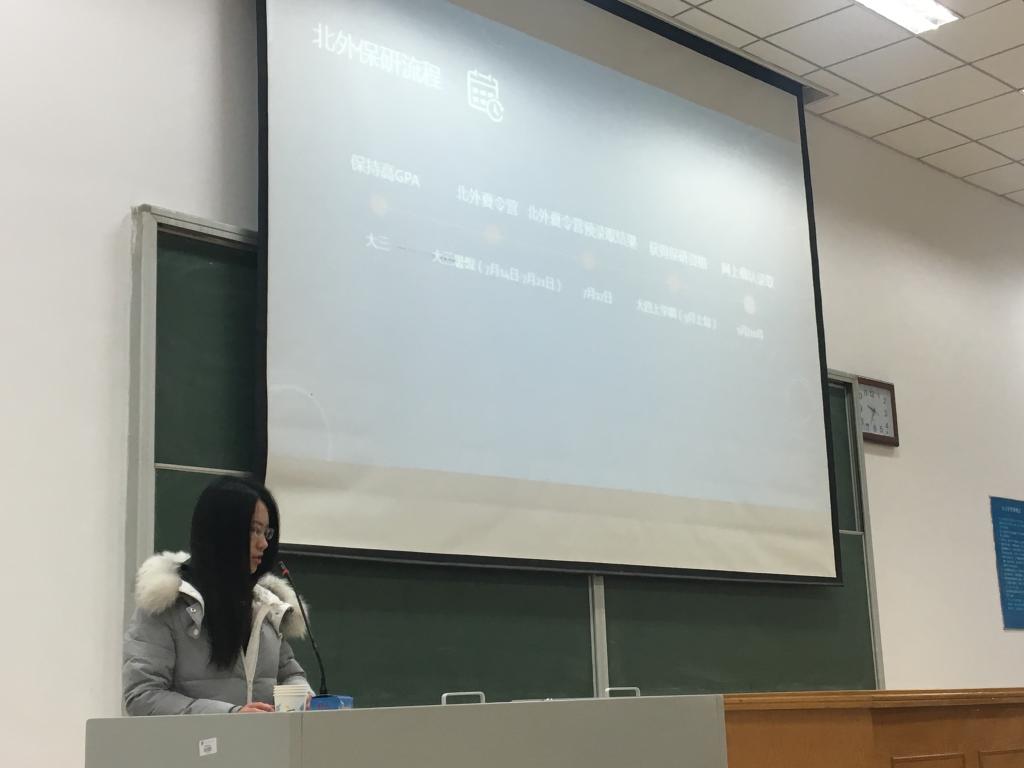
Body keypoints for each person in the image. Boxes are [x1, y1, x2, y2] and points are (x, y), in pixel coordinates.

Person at [123, 476, 312, 715]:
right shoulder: (167, 604)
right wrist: (230, 715)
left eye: (267, 532)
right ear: (222, 530)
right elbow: (142, 696)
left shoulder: (265, 606)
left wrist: (302, 694)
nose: (263, 543)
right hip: (197, 741)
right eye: (254, 530)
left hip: (262, 740)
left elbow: (291, 674)